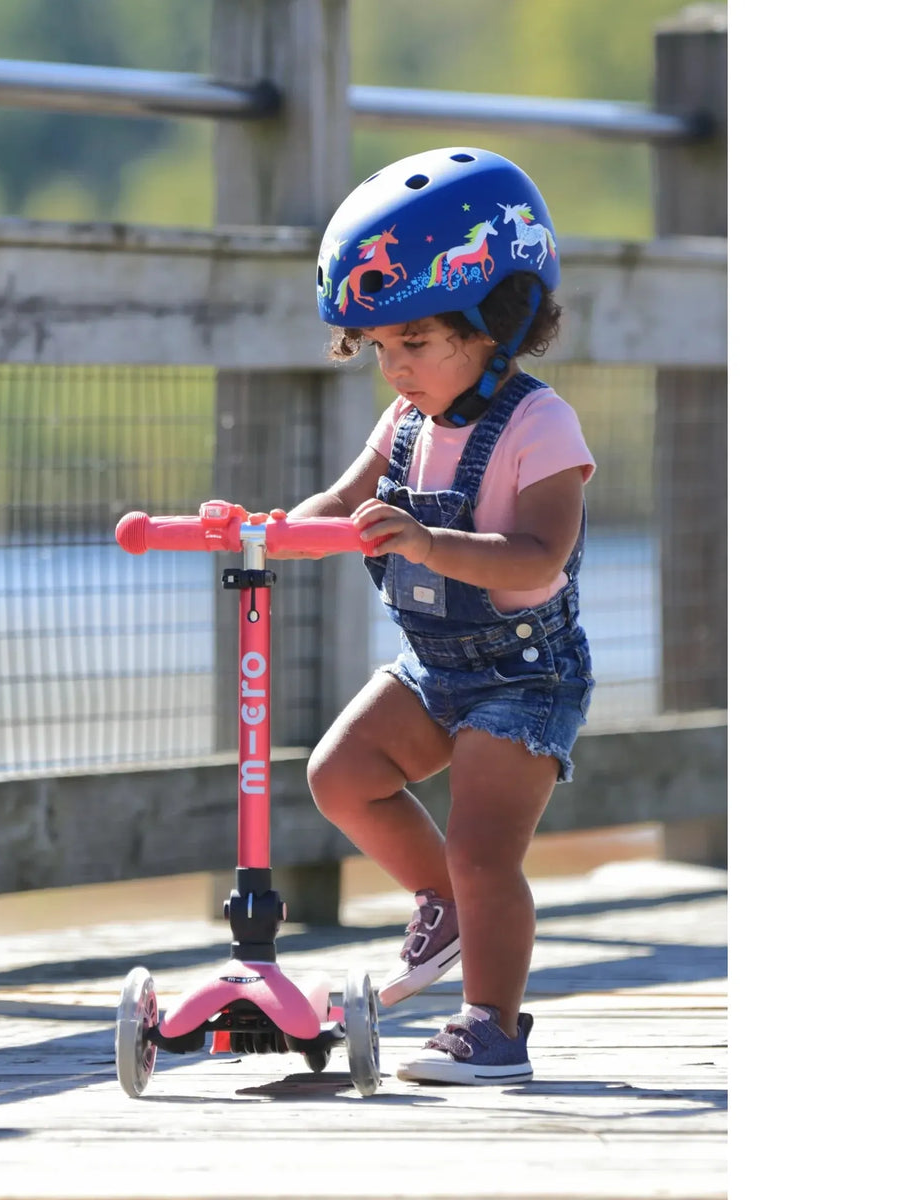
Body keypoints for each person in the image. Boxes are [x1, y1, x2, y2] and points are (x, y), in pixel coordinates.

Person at [278, 147, 596, 1085]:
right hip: (438, 669)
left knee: (483, 848)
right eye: (380, 348)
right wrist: (265, 533)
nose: (394, 369)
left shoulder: (543, 430)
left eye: (414, 344)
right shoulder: (407, 425)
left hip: (526, 676)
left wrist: (424, 543)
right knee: (342, 776)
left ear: (495, 321)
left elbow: (539, 560)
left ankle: (493, 1028)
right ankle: (441, 902)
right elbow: (336, 506)